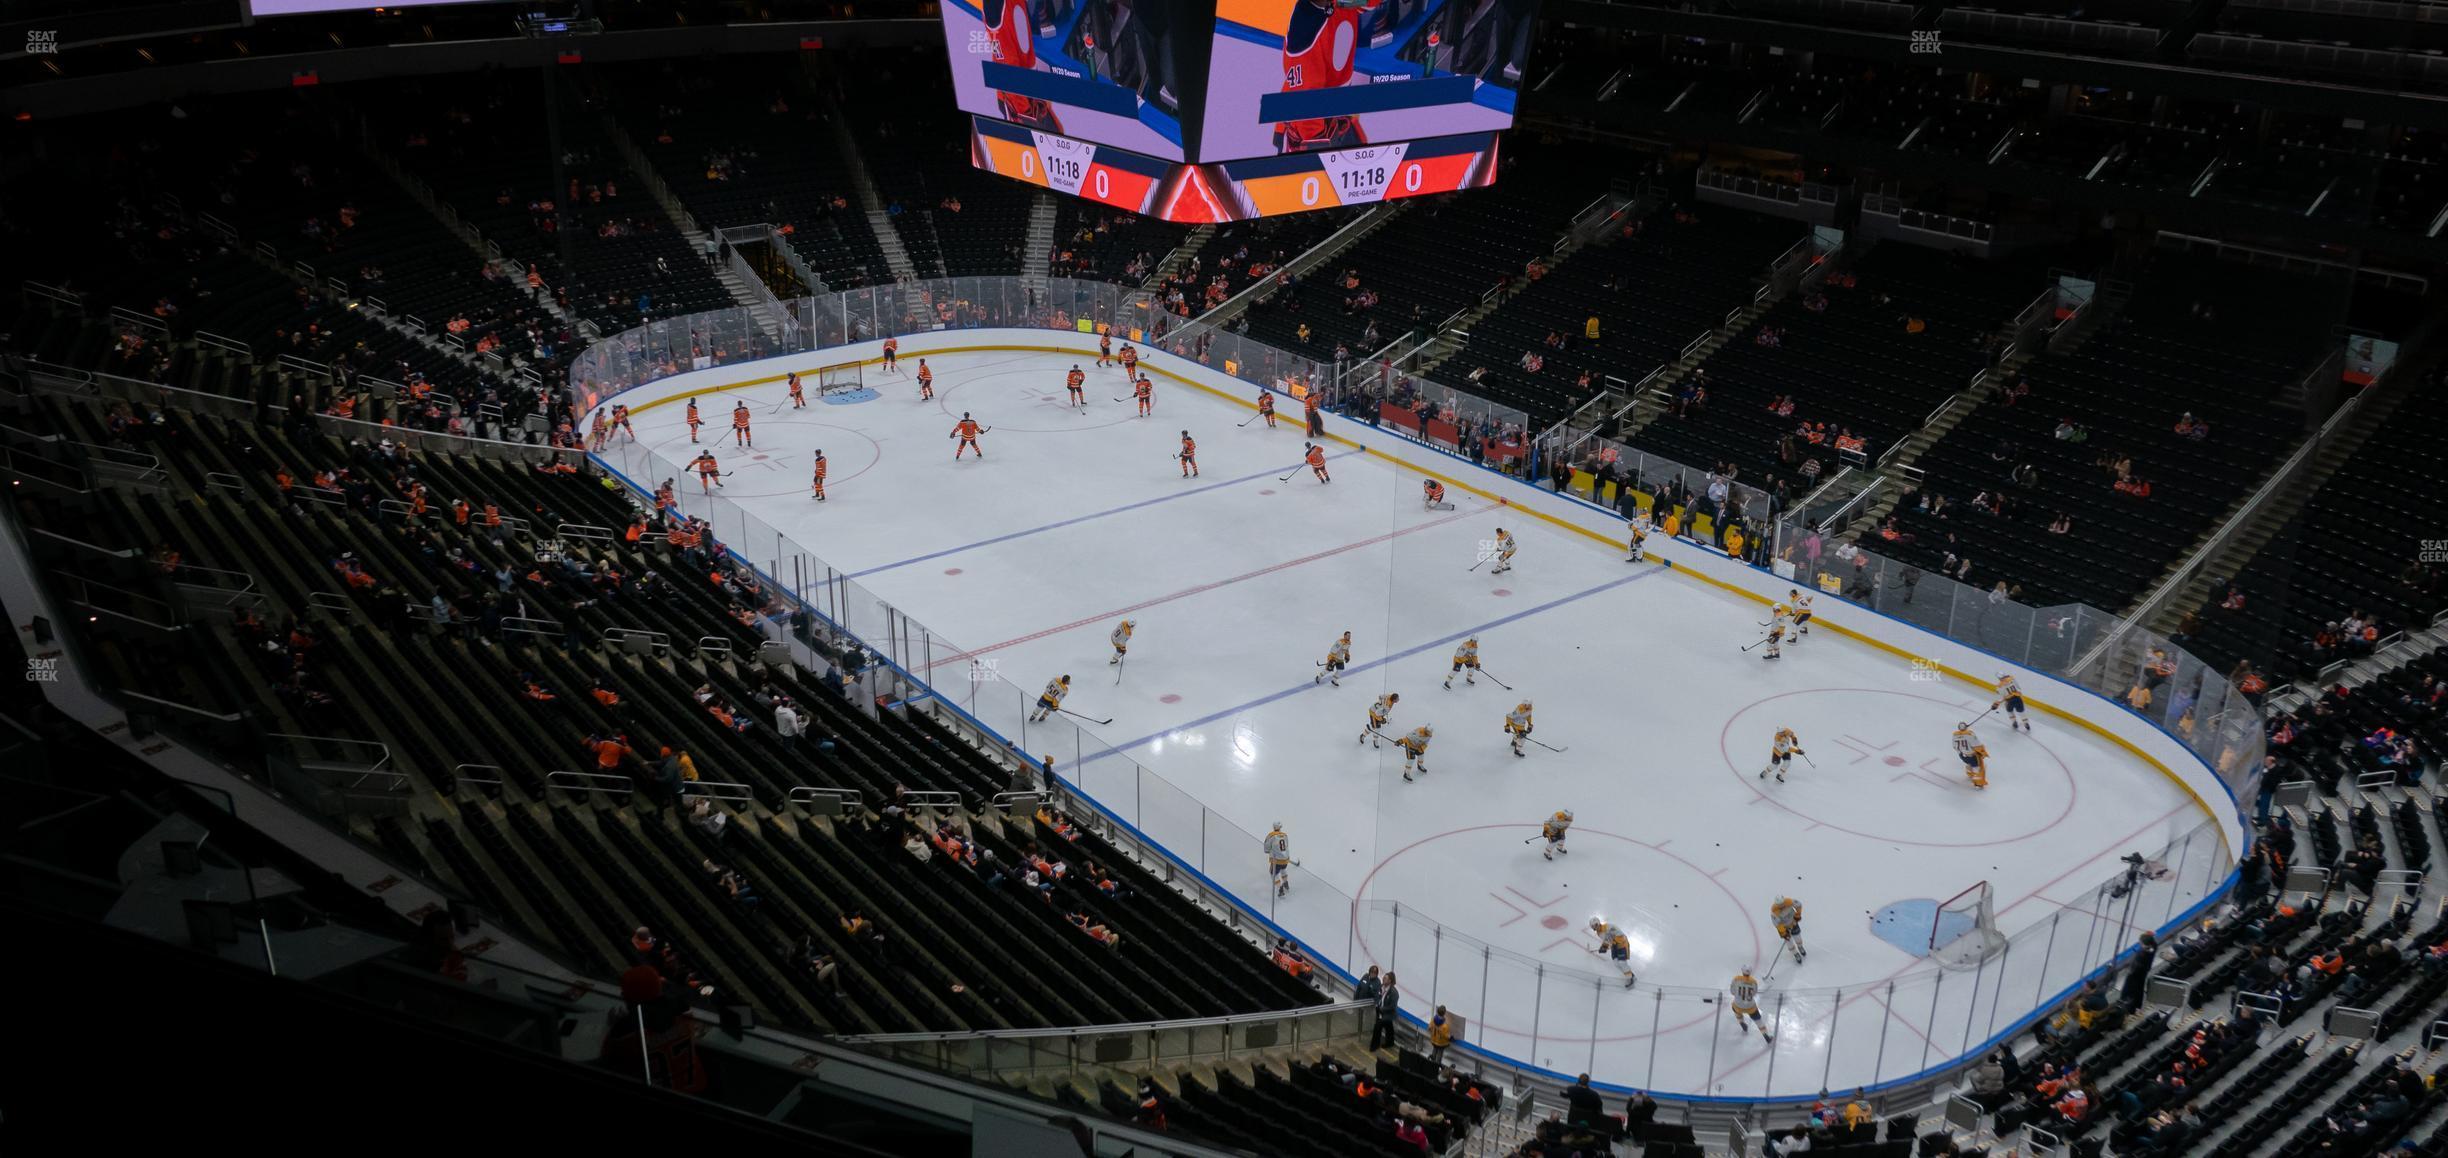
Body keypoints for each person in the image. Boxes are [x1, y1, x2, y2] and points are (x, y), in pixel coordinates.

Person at [1730, 966, 1770, 1039]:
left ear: (1742, 971)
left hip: (1738, 1005)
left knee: (1735, 1009)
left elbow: (1732, 992)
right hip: (1750, 1007)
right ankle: (1765, 1035)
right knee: (1759, 1021)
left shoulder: (1736, 979)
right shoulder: (1753, 981)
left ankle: (1741, 1021)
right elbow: (1754, 993)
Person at [1954, 721, 1990, 789]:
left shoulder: (1955, 735)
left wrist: (1962, 752)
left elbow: (1954, 746)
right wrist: (1983, 752)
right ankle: (1978, 784)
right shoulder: (1969, 734)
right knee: (1977, 768)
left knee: (1968, 763)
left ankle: (1970, 774)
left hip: (1962, 755)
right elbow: (1977, 745)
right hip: (1972, 756)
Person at [1370, 972, 1401, 1050]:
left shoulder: (1394, 993)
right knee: (1389, 1028)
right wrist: (1377, 1004)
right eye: (1384, 977)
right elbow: (1377, 996)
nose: (1383, 979)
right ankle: (1390, 1042)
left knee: (1377, 1027)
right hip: (1380, 1011)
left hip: (1387, 1014)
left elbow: (1392, 1007)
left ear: (1390, 981)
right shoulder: (1381, 987)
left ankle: (1374, 1045)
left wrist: (1381, 1009)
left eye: (1386, 978)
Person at [1772, 896, 1807, 961]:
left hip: (1793, 923)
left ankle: (1800, 947)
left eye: (1782, 903)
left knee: (1798, 937)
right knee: (1789, 942)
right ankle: (1795, 953)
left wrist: (1798, 915)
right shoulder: (1774, 912)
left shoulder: (1789, 902)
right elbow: (1777, 924)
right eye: (1779, 905)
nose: (1781, 906)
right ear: (1776, 904)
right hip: (1783, 928)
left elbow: (1799, 905)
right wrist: (1784, 932)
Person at [1263, 821, 1293, 898]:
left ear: (1273, 827)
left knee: (1273, 874)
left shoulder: (1271, 836)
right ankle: (1286, 883)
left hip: (1276, 860)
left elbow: (1266, 848)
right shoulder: (1285, 835)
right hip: (1285, 859)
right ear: (1280, 827)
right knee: (1283, 869)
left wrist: (1269, 850)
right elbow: (1287, 846)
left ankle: (1280, 889)